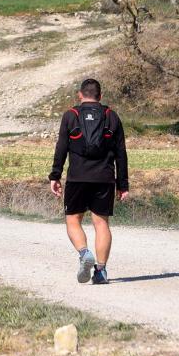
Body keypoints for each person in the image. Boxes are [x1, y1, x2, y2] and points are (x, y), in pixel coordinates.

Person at [49, 79, 128, 285]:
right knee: (101, 223)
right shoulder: (112, 116)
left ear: (80, 95)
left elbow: (61, 148)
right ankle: (100, 271)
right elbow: (121, 153)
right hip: (104, 177)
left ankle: (84, 253)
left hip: (77, 177)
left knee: (73, 219)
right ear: (100, 96)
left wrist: (55, 175)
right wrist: (123, 184)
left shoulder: (70, 116)